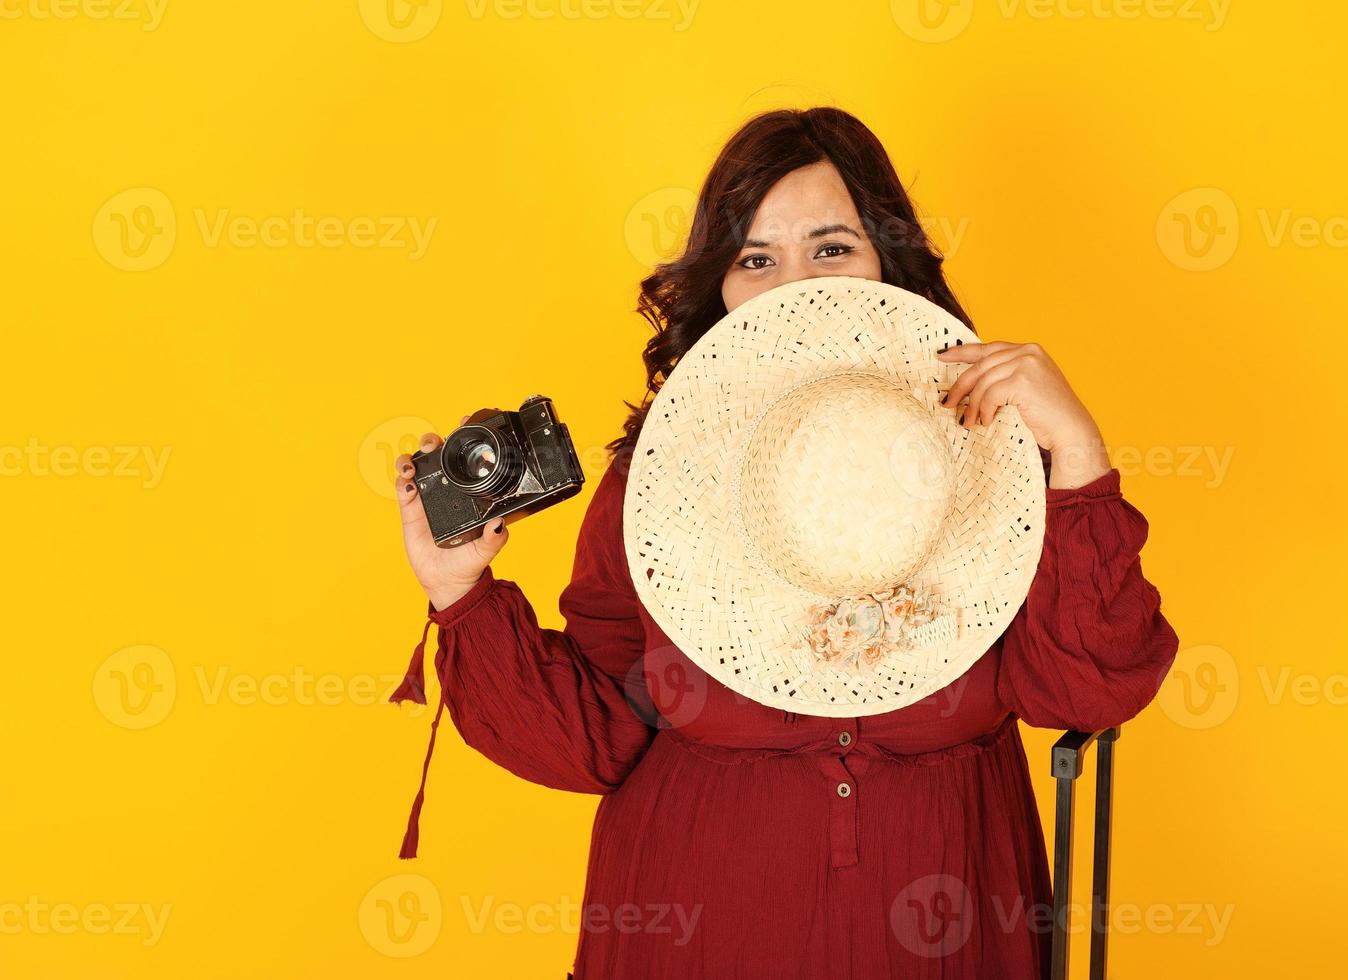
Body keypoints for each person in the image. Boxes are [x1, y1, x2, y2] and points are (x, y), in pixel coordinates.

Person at [391, 106, 1179, 979]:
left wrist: (1077, 456)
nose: (794, 284)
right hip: (697, 922)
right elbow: (594, 742)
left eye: (830, 247)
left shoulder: (998, 455)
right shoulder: (655, 481)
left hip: (949, 922)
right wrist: (459, 590)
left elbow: (1090, 688)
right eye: (754, 259)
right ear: (717, 285)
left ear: (889, 261)